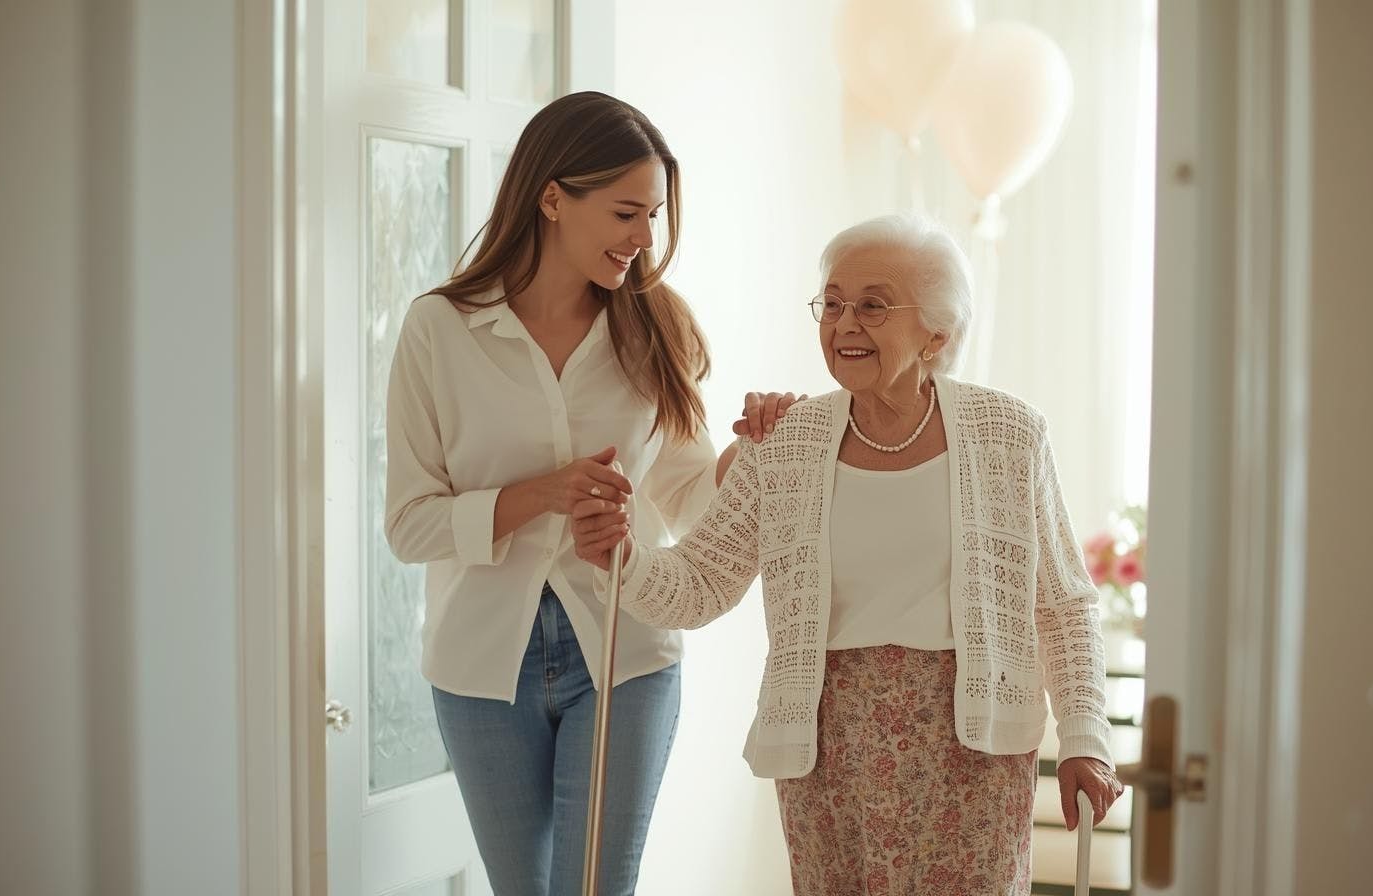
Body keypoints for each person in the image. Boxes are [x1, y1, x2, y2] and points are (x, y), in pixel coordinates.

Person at [572, 213, 1124, 895]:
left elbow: (1063, 604)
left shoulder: (1008, 434)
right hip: (828, 750)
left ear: (937, 334)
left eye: (872, 305)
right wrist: (621, 552)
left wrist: (1086, 738)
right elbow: (700, 583)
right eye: (831, 304)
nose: (844, 323)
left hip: (974, 753)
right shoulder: (784, 442)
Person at [383, 90, 791, 895]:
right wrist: (542, 493)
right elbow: (409, 526)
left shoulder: (655, 325)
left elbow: (689, 498)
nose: (645, 240)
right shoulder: (439, 329)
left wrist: (758, 456)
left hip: (625, 651)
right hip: (479, 664)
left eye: (655, 216)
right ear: (552, 199)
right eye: (626, 214)